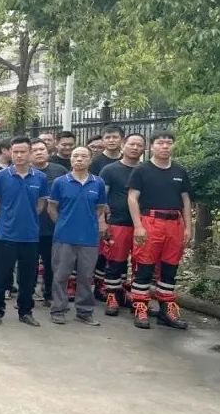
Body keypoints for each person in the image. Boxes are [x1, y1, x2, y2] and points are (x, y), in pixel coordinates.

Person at [128, 132, 192, 330]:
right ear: (151, 146)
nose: (165, 146)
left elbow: (186, 200)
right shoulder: (141, 170)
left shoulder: (180, 171)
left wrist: (188, 227)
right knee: (145, 266)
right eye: (160, 143)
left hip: (175, 224)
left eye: (169, 143)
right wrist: (138, 226)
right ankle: (140, 307)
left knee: (170, 268)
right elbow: (132, 198)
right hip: (150, 222)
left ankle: (166, 311)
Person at [0, 137, 50, 327]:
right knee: (1, 274)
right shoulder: (1, 176)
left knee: (28, 276)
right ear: (10, 153)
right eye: (16, 152)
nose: (19, 155)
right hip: (6, 234)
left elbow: (41, 204)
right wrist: (7, 218)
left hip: (30, 235)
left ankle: (25, 311)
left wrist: (27, 218)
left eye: (23, 152)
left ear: (30, 153)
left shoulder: (40, 177)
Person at [47, 147, 108, 326]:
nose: (79, 159)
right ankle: (58, 310)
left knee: (86, 277)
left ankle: (84, 311)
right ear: (71, 160)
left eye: (83, 156)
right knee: (60, 275)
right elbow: (52, 209)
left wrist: (88, 223)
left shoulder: (98, 183)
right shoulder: (60, 182)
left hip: (89, 238)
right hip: (64, 237)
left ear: (90, 160)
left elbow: (99, 209)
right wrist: (64, 224)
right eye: (75, 156)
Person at [99, 133, 146, 315]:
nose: (135, 148)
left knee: (140, 262)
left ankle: (131, 295)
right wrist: (102, 221)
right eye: (131, 144)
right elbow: (101, 198)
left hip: (143, 223)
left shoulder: (146, 170)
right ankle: (112, 295)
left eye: (139, 145)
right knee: (115, 260)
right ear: (124, 145)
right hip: (118, 222)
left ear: (144, 149)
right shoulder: (110, 170)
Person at [31, 139, 68, 305]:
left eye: (42, 149)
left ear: (48, 151)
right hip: (30, 226)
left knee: (52, 263)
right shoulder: (25, 172)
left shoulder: (60, 171)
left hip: (53, 226)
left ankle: (49, 294)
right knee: (29, 263)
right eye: (35, 150)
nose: (39, 152)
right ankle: (28, 293)